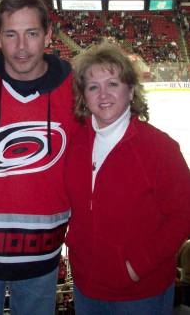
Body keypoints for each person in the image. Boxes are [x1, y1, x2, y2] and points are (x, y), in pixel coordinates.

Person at [0, 0, 78, 314]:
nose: (22, 47)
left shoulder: (76, 86)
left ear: (48, 35)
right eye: (11, 34)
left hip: (44, 253)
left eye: (32, 33)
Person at [65, 41, 190, 314]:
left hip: (141, 292)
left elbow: (183, 214)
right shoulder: (75, 144)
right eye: (93, 86)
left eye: (113, 83)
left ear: (131, 90)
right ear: (84, 96)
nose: (103, 94)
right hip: (87, 286)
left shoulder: (159, 148)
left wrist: (137, 265)